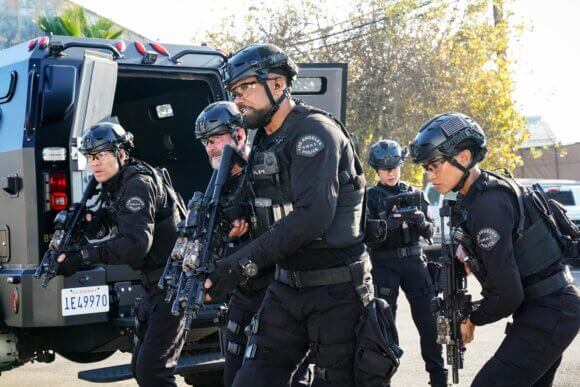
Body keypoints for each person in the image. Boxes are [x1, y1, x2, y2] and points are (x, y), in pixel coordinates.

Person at [204, 44, 373, 387]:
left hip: (336, 289)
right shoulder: (265, 140)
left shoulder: (313, 133)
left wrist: (239, 265)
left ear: (278, 85)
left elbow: (312, 217)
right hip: (286, 287)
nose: (239, 99)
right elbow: (251, 198)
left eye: (246, 88)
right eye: (235, 92)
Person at [410, 112, 580, 387]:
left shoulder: (488, 205)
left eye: (435, 166)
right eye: (426, 169)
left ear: (463, 157)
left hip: (549, 310)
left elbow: (508, 295)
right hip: (546, 309)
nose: (431, 176)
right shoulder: (476, 196)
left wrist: (471, 317)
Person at [57, 122, 185, 387]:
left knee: (153, 371)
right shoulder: (118, 183)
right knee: (141, 368)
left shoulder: (137, 184)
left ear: (121, 154)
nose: (94, 163)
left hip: (172, 285)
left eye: (101, 155)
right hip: (155, 285)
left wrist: (83, 256)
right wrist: (94, 222)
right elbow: (119, 218)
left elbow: (135, 244)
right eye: (90, 157)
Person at [195, 101, 313, 387]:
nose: (211, 147)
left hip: (278, 293)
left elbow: (294, 230)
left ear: (239, 135)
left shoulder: (266, 173)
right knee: (233, 378)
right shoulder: (217, 184)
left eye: (216, 138)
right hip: (242, 296)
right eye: (206, 142)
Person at [366, 140, 447, 387]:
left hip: (414, 262)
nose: (390, 172)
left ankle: (438, 379)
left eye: (394, 167)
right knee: (384, 328)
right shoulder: (370, 197)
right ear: (376, 170)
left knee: (430, 326)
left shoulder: (415, 193)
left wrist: (421, 220)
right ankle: (382, 380)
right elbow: (364, 238)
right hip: (384, 265)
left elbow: (431, 231)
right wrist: (385, 225)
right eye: (384, 168)